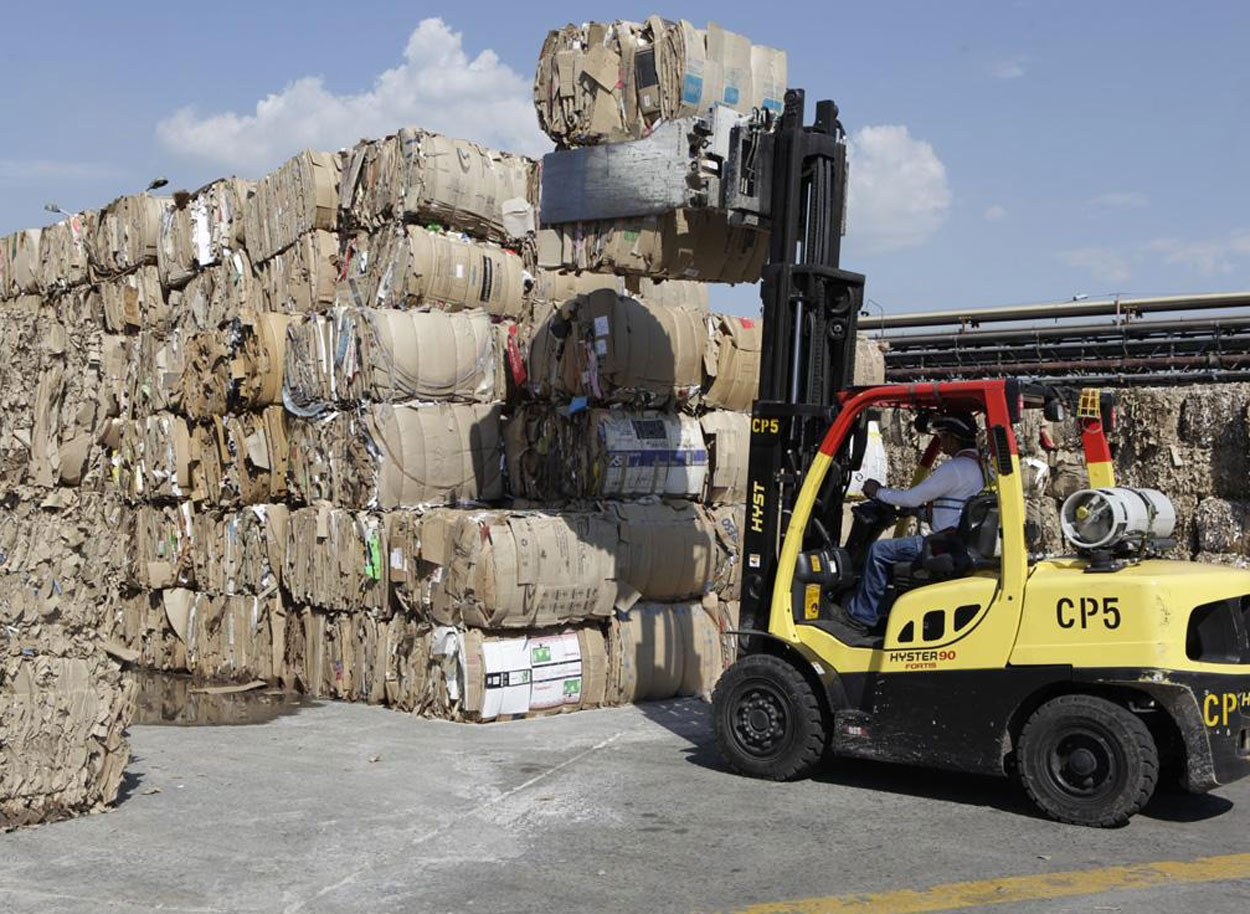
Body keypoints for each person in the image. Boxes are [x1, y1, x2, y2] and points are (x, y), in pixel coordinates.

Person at [838, 412, 985, 634]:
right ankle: (883, 610)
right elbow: (954, 509)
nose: (941, 442)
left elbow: (911, 497)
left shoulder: (956, 468)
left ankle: (861, 616)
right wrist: (919, 513)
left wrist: (878, 491)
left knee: (879, 551)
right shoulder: (977, 467)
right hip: (956, 540)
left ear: (952, 438)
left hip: (942, 544)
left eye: (942, 436)